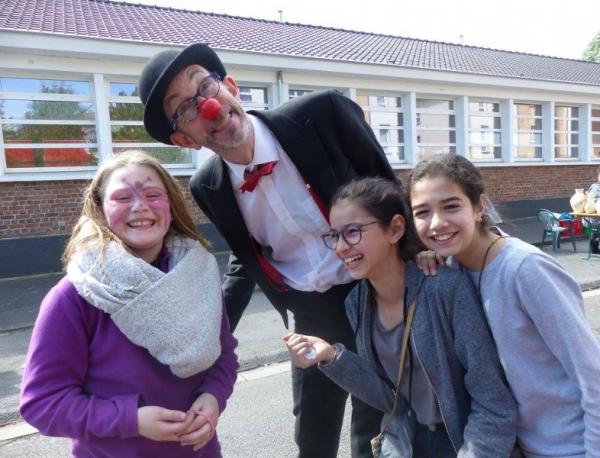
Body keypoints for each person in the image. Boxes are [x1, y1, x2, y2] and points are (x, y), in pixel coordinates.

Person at [138, 43, 396, 457]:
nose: (207, 106)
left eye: (206, 86)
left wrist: (421, 256)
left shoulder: (324, 114)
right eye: (186, 108)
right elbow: (246, 256)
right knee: (312, 436)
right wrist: (209, 337)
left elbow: (390, 191)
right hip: (311, 312)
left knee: (375, 432)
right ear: (183, 138)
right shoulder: (208, 185)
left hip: (376, 297)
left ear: (232, 87)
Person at [20, 151, 238, 457]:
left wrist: (214, 397)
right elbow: (43, 403)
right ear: (100, 209)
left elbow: (223, 355)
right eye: (122, 197)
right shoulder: (73, 297)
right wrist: (129, 420)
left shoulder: (199, 276)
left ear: (171, 207)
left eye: (152, 194)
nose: (140, 206)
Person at [284, 177, 517, 457]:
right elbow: (391, 400)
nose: (341, 247)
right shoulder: (357, 302)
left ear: (395, 229)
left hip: (462, 443)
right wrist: (331, 357)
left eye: (353, 232)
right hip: (406, 443)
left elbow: (493, 402)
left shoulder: (444, 289)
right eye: (335, 235)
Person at [409, 154, 600, 457]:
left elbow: (593, 375)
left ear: (479, 207)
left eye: (451, 206)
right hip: (512, 446)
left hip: (571, 447)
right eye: (422, 212)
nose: (437, 223)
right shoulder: (450, 270)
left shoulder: (526, 269)